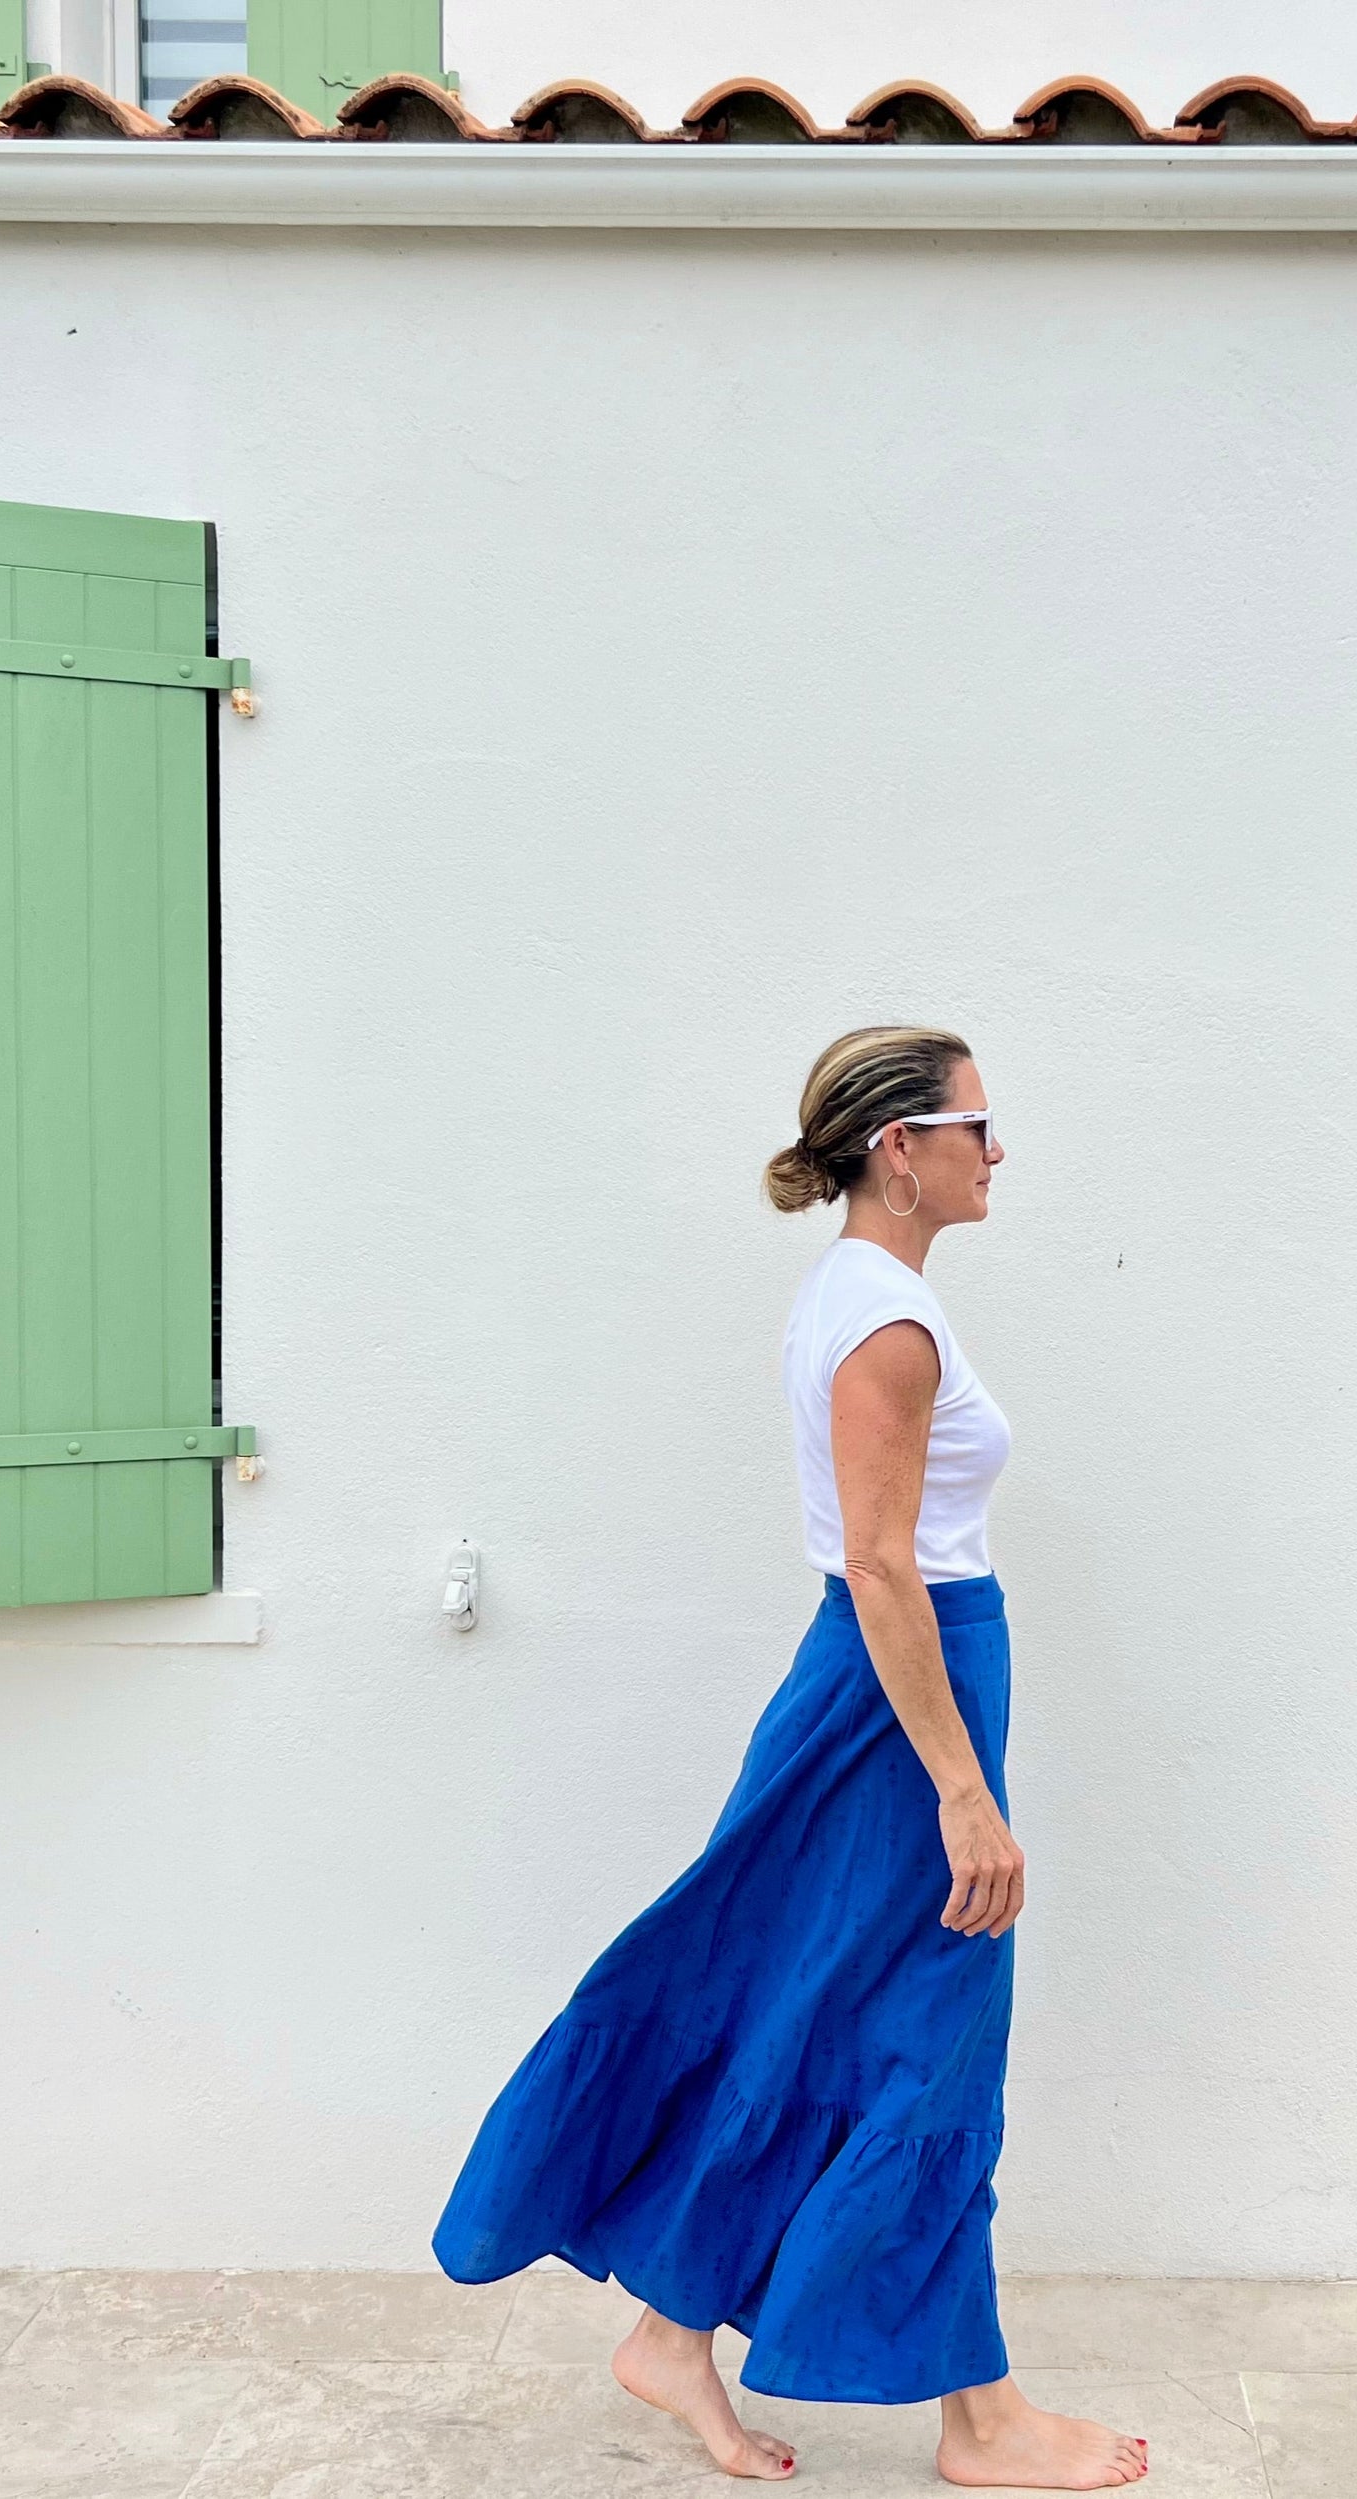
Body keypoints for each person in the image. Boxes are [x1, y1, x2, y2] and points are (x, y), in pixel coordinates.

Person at [432, 1027, 1148, 2489]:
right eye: (979, 1123)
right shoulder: (888, 1325)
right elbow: (886, 1572)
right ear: (903, 1146)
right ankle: (985, 2423)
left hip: (889, 1692)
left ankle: (673, 2333)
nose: (996, 1150)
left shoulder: (855, 1294)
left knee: (811, 2013)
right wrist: (964, 1792)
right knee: (933, 2034)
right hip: (907, 1699)